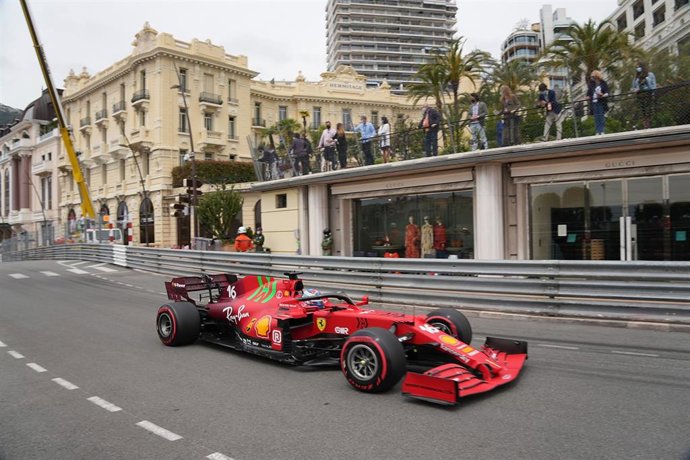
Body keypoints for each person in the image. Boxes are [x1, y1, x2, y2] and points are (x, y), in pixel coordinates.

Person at [631, 62, 657, 129]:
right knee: (643, 111)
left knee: (649, 110)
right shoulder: (636, 77)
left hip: (648, 94)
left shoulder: (650, 75)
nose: (637, 69)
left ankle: (649, 125)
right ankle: (645, 125)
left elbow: (653, 86)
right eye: (636, 67)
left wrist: (647, 80)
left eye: (638, 67)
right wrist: (635, 90)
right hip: (640, 95)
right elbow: (633, 87)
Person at [587, 70, 609, 135]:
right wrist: (588, 97)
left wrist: (602, 94)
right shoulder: (592, 84)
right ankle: (597, 131)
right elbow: (589, 92)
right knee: (596, 117)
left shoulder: (603, 83)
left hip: (601, 101)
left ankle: (602, 131)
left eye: (593, 76)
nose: (592, 77)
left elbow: (607, 92)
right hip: (594, 102)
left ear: (597, 76)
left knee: (601, 116)